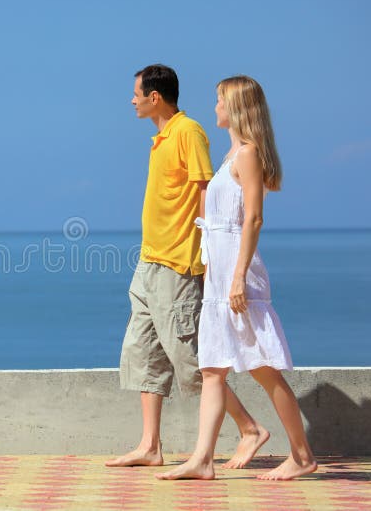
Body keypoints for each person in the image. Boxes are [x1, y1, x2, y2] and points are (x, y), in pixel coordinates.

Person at [106, 65, 269, 470]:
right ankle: (150, 445)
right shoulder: (160, 138)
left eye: (137, 93)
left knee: (191, 359)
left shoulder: (188, 132)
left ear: (155, 97)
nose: (132, 100)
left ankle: (249, 428)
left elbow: (204, 193)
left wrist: (206, 257)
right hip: (150, 262)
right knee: (143, 352)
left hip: (179, 265)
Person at [155, 75, 317, 481]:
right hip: (220, 274)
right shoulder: (232, 157)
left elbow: (253, 219)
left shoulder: (247, 155)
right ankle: (203, 459)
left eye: (219, 102)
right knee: (212, 369)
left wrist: (239, 277)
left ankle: (301, 455)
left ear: (237, 107)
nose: (215, 109)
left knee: (263, 368)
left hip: (237, 275)